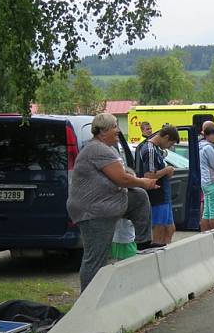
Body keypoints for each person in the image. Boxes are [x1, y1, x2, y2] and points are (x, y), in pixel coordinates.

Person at [67, 114, 160, 292]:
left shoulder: (109, 149)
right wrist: (144, 182)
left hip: (109, 204)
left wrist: (134, 179)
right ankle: (88, 299)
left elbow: (125, 172)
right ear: (102, 132)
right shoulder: (96, 149)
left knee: (139, 197)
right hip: (94, 211)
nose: (118, 130)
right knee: (96, 258)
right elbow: (122, 179)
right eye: (114, 127)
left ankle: (143, 242)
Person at [136, 125, 179, 245]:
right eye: (170, 144)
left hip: (164, 196)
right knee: (159, 229)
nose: (169, 147)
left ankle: (166, 254)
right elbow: (149, 175)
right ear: (166, 137)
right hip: (157, 197)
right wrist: (167, 170)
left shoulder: (156, 149)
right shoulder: (149, 149)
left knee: (169, 229)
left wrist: (165, 172)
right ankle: (157, 252)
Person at [199, 124, 214, 232]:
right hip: (213, 181)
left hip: (205, 182)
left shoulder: (201, 146)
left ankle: (204, 233)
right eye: (213, 134)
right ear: (207, 135)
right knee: (213, 211)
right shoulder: (209, 148)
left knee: (206, 212)